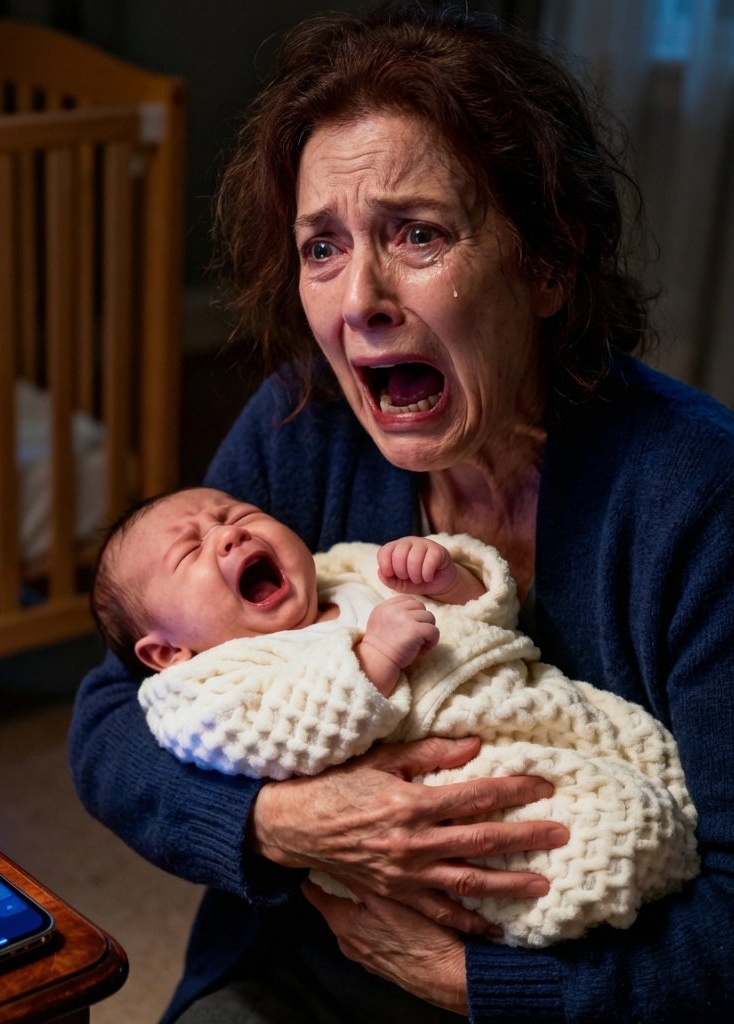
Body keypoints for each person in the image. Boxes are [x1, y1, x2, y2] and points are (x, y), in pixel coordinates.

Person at [68, 5, 734, 1022]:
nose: (358, 299)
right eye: (322, 247)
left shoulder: (697, 496)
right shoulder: (303, 421)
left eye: (417, 235)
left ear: (547, 264)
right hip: (302, 964)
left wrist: (470, 983)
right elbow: (112, 718)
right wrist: (279, 820)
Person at [89, 485, 697, 950]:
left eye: (237, 515)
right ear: (167, 652)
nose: (227, 536)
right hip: (450, 786)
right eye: (190, 549)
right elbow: (272, 736)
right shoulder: (208, 685)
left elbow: (485, 624)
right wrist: (373, 658)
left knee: (652, 765)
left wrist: (451, 581)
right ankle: (619, 882)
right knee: (581, 835)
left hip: (528, 701)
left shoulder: (348, 569)